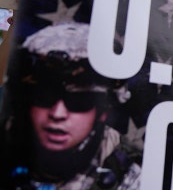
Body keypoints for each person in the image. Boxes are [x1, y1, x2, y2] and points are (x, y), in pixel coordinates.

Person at [0, 22, 138, 189]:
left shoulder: (127, 170)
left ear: (103, 111)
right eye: (45, 97)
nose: (58, 114)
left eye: (79, 102)